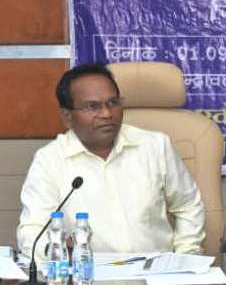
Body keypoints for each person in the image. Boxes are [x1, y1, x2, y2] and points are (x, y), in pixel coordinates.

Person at [17, 64, 205, 260]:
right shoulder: (50, 160)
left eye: (113, 103)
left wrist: (185, 258)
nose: (107, 114)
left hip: (155, 271)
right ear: (67, 117)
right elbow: (32, 230)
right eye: (92, 106)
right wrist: (58, 253)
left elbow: (188, 205)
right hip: (87, 273)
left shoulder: (156, 146)